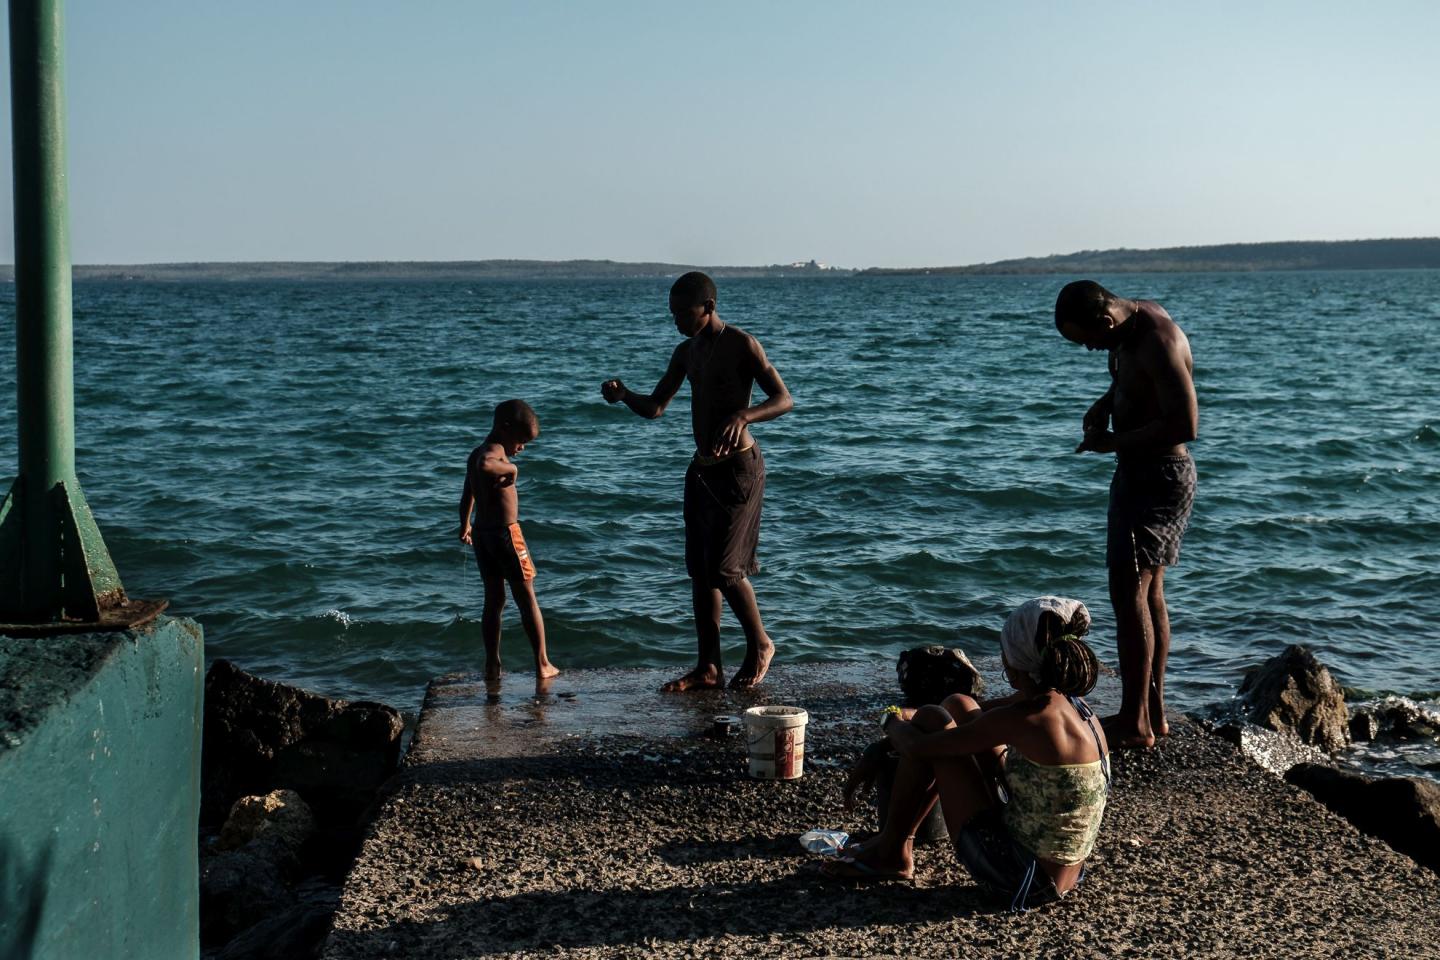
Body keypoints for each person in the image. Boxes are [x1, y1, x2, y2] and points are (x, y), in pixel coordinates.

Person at [826, 598, 1110, 911]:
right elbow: (971, 712)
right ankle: (892, 847)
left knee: (935, 723)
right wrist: (893, 735)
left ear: (1017, 659)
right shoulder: (1071, 707)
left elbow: (917, 748)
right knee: (957, 705)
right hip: (1058, 874)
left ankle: (891, 853)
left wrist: (889, 720)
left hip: (1022, 880)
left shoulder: (1029, 718)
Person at [601, 271, 793, 691]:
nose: (676, 321)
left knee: (725, 569)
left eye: (682, 313)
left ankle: (761, 644)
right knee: (701, 572)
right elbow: (656, 407)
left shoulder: (741, 344)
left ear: (708, 307)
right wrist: (624, 395)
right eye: (671, 314)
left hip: (740, 469)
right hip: (702, 470)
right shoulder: (686, 352)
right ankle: (709, 667)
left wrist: (743, 415)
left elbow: (783, 399)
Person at [1055, 280, 1197, 749]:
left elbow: (1185, 423)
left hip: (1157, 477)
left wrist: (1114, 442)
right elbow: (1133, 382)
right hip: (1142, 473)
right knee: (1147, 593)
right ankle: (1152, 715)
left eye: (1090, 340)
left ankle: (1135, 723)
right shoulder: (1130, 326)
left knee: (1128, 593)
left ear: (1105, 320)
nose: (1091, 349)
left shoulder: (1158, 339)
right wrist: (1105, 404)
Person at [458, 399, 558, 682]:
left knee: (494, 599)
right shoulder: (493, 454)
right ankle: (543, 663)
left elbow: (468, 492)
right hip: (505, 534)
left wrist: (465, 524)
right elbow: (486, 465)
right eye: (521, 440)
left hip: (482, 533)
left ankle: (492, 664)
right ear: (504, 428)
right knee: (526, 597)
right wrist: (512, 470)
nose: (521, 448)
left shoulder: (476, 452)